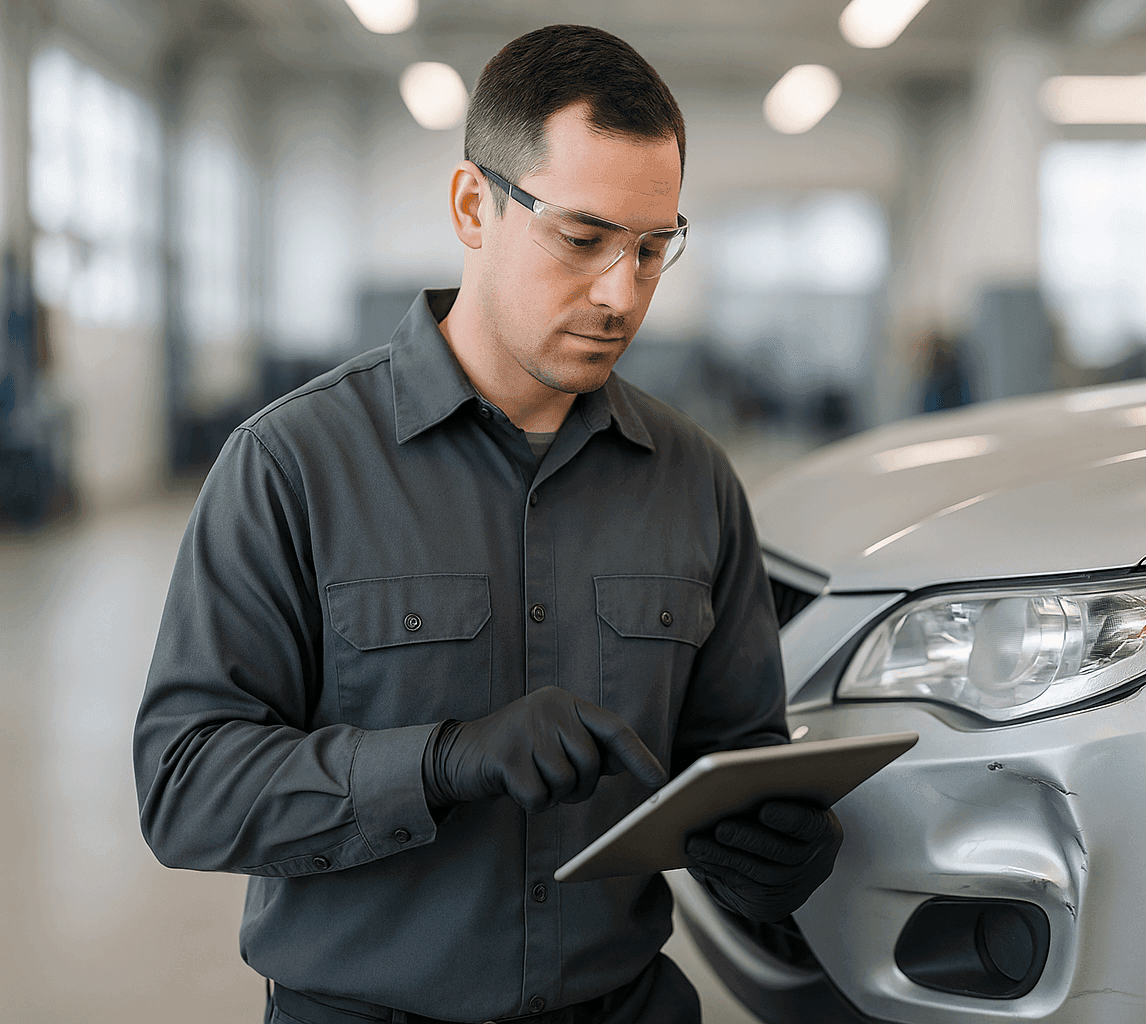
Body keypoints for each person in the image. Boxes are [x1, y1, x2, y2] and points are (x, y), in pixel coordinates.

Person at [133, 25, 841, 1024]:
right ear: (474, 204)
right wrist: (436, 761)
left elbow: (732, 758)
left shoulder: (695, 482)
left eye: (653, 247)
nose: (622, 293)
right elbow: (184, 784)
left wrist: (768, 859)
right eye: (584, 239)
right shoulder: (291, 465)